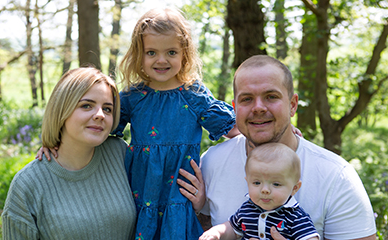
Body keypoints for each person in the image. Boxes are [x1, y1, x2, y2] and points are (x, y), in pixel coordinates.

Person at [190, 55, 377, 239]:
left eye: (271, 97)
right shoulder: (211, 162)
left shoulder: (336, 176)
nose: (258, 108)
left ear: (293, 105)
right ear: (235, 108)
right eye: (246, 99)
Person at [112, 8, 237, 239]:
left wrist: (277, 132)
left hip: (179, 195)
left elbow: (234, 128)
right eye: (151, 52)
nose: (161, 60)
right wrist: (58, 144)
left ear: (184, 54)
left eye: (171, 52)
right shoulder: (132, 97)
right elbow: (101, 130)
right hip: (139, 193)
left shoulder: (194, 95)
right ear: (140, 55)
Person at [2, 67, 136, 239]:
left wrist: (181, 193)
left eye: (107, 109)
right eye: (86, 105)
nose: (100, 115)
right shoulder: (28, 183)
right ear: (61, 110)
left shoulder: (120, 153)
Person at [199, 143, 319, 240]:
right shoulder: (247, 209)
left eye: (276, 184)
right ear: (247, 182)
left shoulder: (295, 216)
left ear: (294, 188)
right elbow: (231, 228)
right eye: (257, 183)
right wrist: (216, 233)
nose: (265, 190)